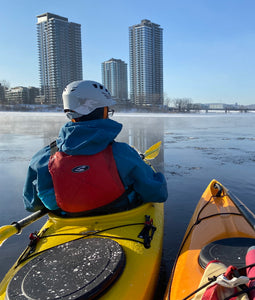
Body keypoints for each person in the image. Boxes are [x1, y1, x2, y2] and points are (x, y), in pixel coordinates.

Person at [23, 80, 167, 216]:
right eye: (107, 110)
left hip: (68, 221)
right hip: (121, 218)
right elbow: (157, 193)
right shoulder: (123, 153)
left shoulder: (43, 158)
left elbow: (32, 205)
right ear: (102, 111)